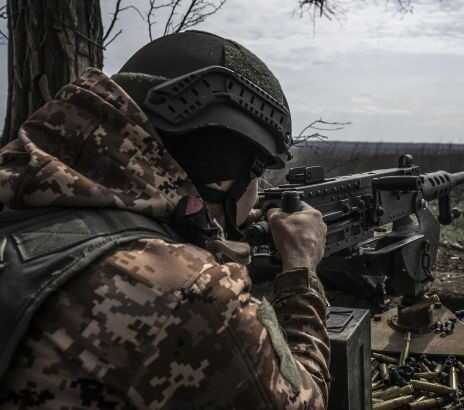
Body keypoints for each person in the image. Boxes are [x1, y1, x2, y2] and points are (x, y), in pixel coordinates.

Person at [0, 31, 330, 410]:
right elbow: (304, 403)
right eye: (258, 177)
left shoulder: (22, 197)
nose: (258, 193)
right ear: (224, 173)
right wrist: (302, 269)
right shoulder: (188, 290)